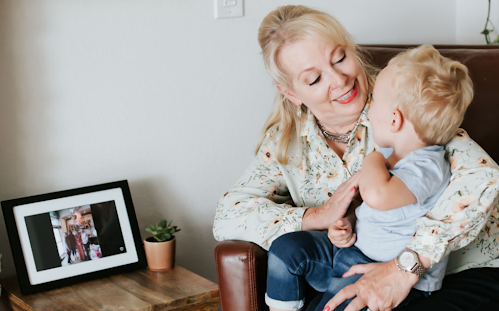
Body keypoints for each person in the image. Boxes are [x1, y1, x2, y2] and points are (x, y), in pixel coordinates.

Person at [213, 5, 499, 311]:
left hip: (462, 271)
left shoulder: (403, 105)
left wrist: (407, 266)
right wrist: (318, 216)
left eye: (340, 58)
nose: (340, 79)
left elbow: (484, 178)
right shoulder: (288, 143)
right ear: (291, 93)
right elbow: (229, 216)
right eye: (314, 79)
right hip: (355, 265)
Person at [264, 44, 471, 311]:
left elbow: (377, 196)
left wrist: (371, 158)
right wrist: (347, 223)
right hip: (354, 250)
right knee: (285, 249)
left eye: (375, 102)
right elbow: (374, 209)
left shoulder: (428, 165)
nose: (368, 110)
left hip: (387, 273)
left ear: (394, 120)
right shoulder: (391, 153)